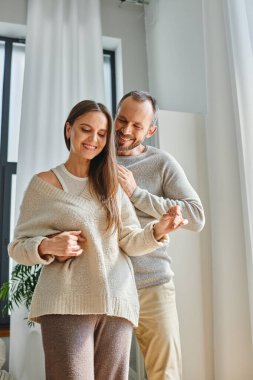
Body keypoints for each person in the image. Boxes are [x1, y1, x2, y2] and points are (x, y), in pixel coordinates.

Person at [8, 100, 188, 380]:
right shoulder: (43, 184)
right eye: (85, 129)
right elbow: (17, 246)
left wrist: (159, 229)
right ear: (69, 130)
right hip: (66, 305)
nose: (93, 139)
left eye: (102, 134)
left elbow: (129, 240)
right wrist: (46, 245)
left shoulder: (110, 185)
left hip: (117, 302)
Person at [115, 91, 205, 380]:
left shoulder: (162, 163)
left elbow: (196, 215)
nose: (126, 130)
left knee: (165, 374)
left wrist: (137, 194)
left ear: (150, 130)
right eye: (122, 120)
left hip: (153, 284)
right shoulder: (93, 158)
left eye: (137, 126)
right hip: (106, 286)